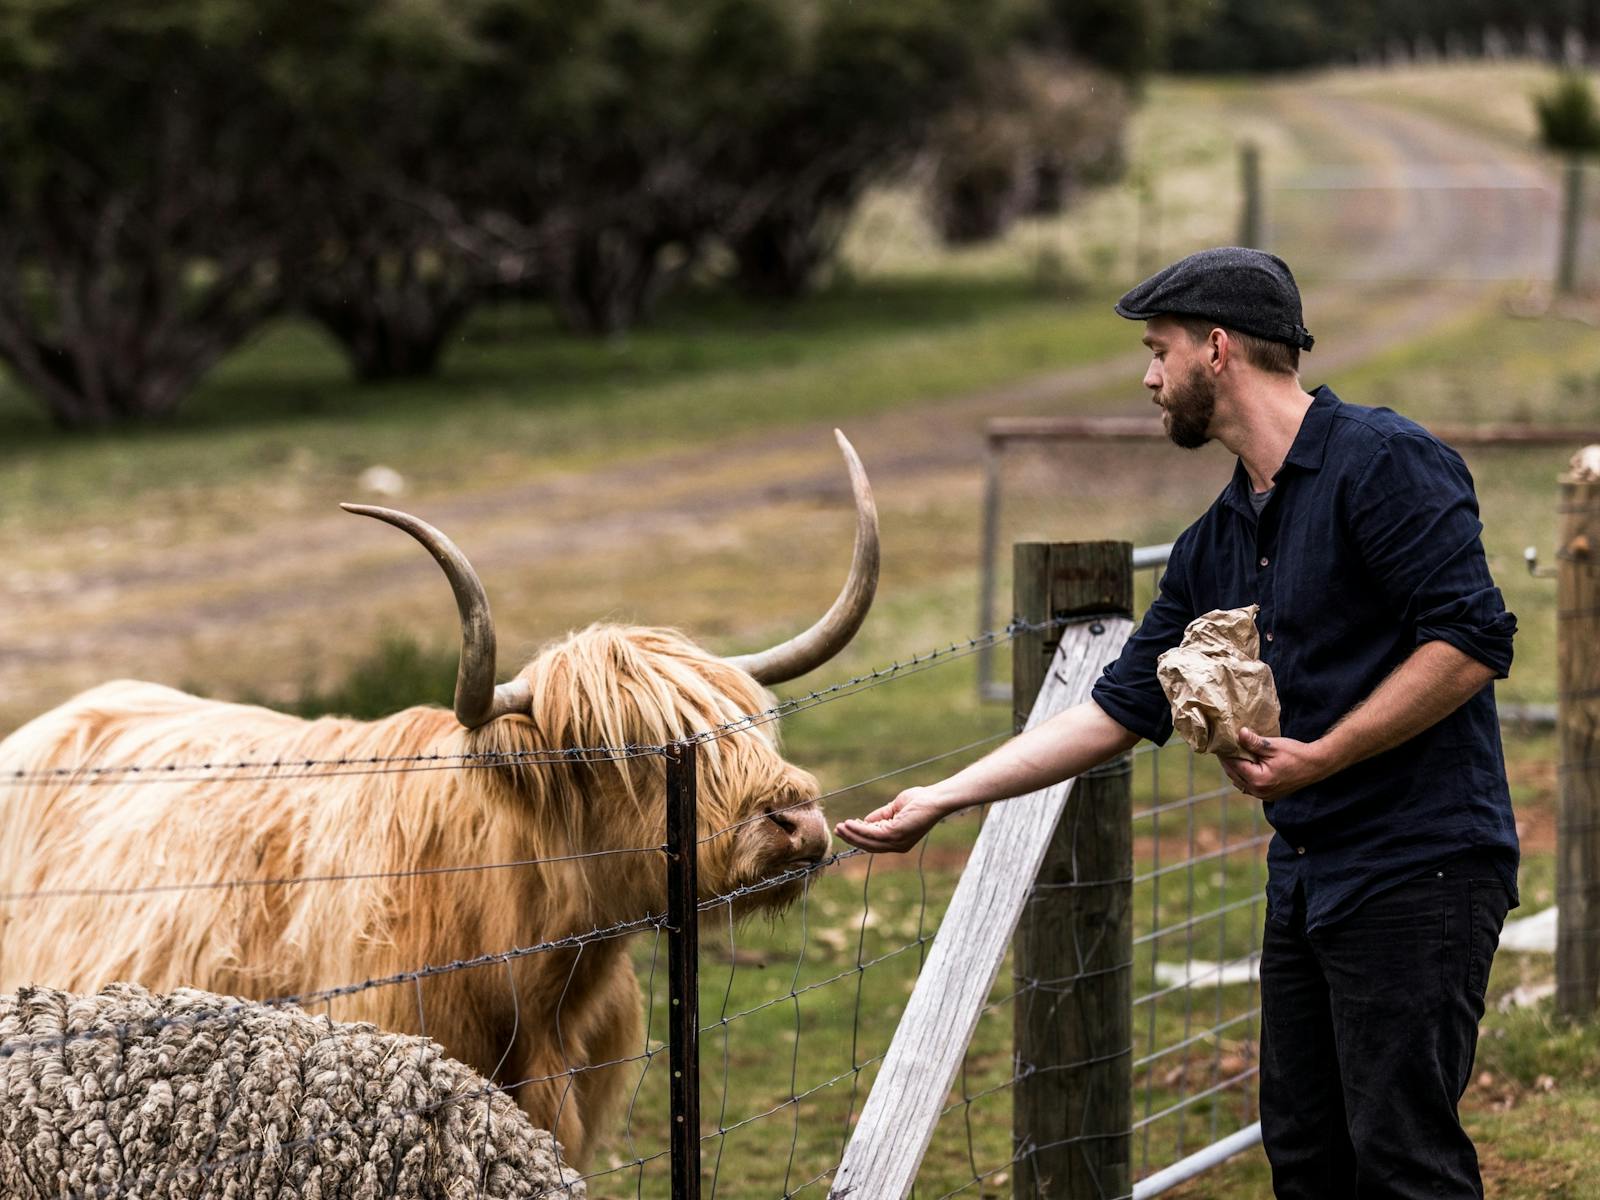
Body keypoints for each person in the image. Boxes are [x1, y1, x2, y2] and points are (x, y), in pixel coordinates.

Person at [835, 246, 1518, 1200]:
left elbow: (1473, 641)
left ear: (1219, 349)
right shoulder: (1220, 537)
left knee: (1404, 1160)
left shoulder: (1385, 464)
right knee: (1308, 1156)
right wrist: (944, 798)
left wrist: (1323, 755)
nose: (1150, 378)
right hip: (1312, 876)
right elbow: (1116, 709)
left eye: (1160, 351)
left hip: (1422, 865)